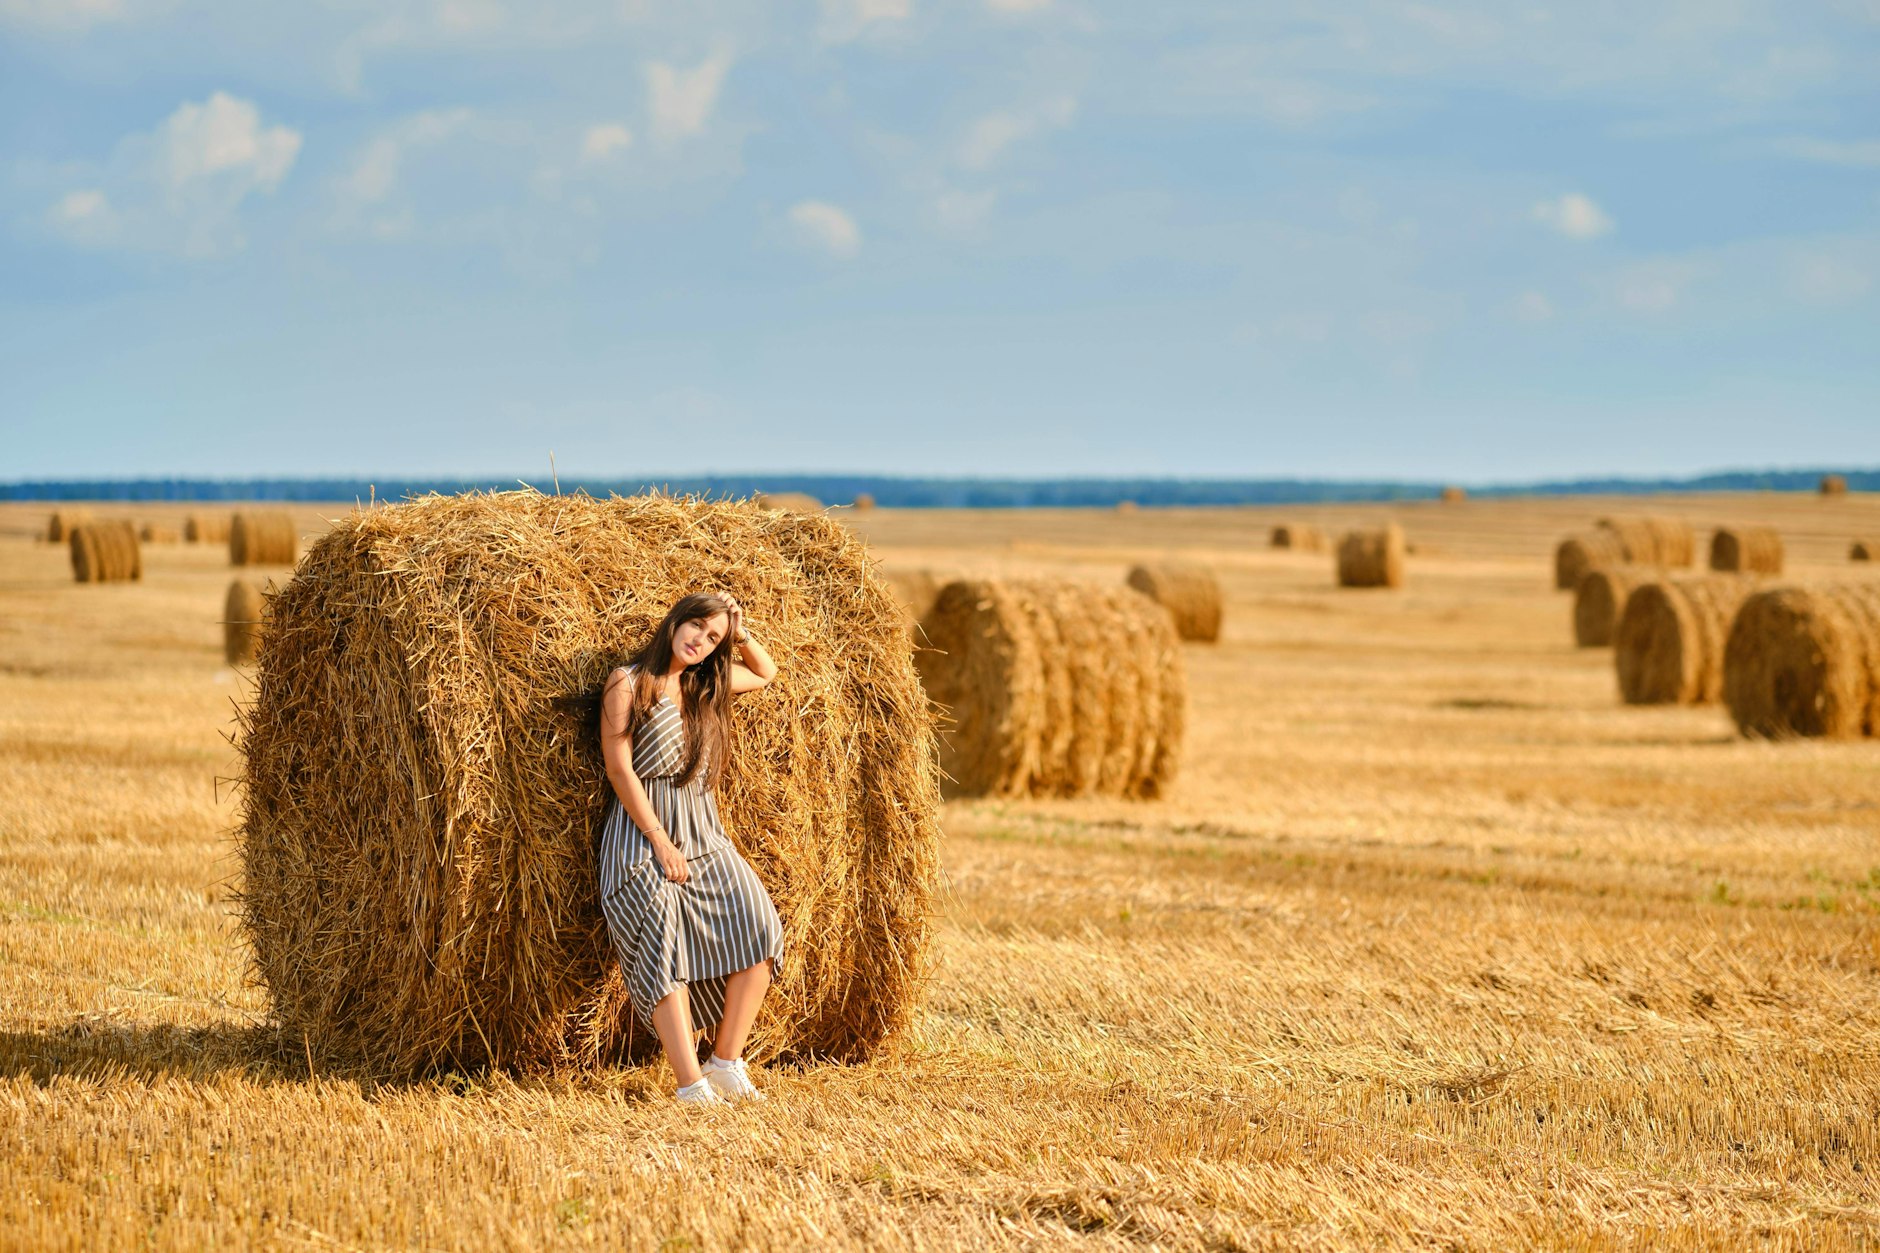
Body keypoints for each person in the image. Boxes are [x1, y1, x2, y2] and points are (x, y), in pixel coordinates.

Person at [596, 590, 784, 1105]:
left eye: (713, 637)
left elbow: (766, 672)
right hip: (641, 839)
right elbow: (619, 769)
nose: (701, 640)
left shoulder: (705, 686)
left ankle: (724, 1063)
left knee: (762, 927)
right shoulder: (628, 682)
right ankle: (690, 1085)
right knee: (663, 944)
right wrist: (659, 840)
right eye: (697, 625)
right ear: (676, 621)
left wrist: (739, 633)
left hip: (705, 836)